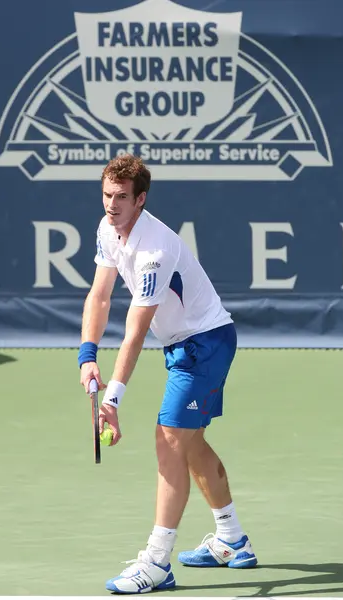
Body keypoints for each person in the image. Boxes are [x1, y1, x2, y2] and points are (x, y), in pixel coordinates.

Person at [78, 154, 257, 595]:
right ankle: (232, 539)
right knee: (189, 441)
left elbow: (136, 332)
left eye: (122, 197)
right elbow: (100, 297)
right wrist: (87, 355)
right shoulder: (108, 229)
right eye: (106, 195)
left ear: (141, 200)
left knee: (170, 437)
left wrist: (113, 399)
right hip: (183, 345)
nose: (111, 205)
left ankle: (157, 562)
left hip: (206, 344)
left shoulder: (155, 251)